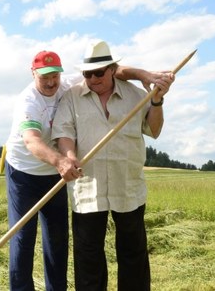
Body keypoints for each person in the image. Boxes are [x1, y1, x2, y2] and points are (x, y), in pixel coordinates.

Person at [4, 49, 173, 291]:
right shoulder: (31, 102)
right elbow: (36, 140)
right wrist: (65, 159)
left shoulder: (82, 84)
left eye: (55, 76)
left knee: (57, 241)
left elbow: (122, 76)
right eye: (44, 77)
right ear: (33, 74)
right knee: (23, 239)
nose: (92, 79)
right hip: (27, 173)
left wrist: (146, 79)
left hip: (67, 177)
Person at [51, 40, 175, 291]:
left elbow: (154, 129)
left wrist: (158, 101)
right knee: (88, 256)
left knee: (133, 253)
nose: (93, 78)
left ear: (112, 69)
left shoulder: (135, 95)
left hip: (127, 184)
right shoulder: (72, 97)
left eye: (99, 72)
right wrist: (68, 156)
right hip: (88, 186)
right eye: (88, 73)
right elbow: (63, 133)